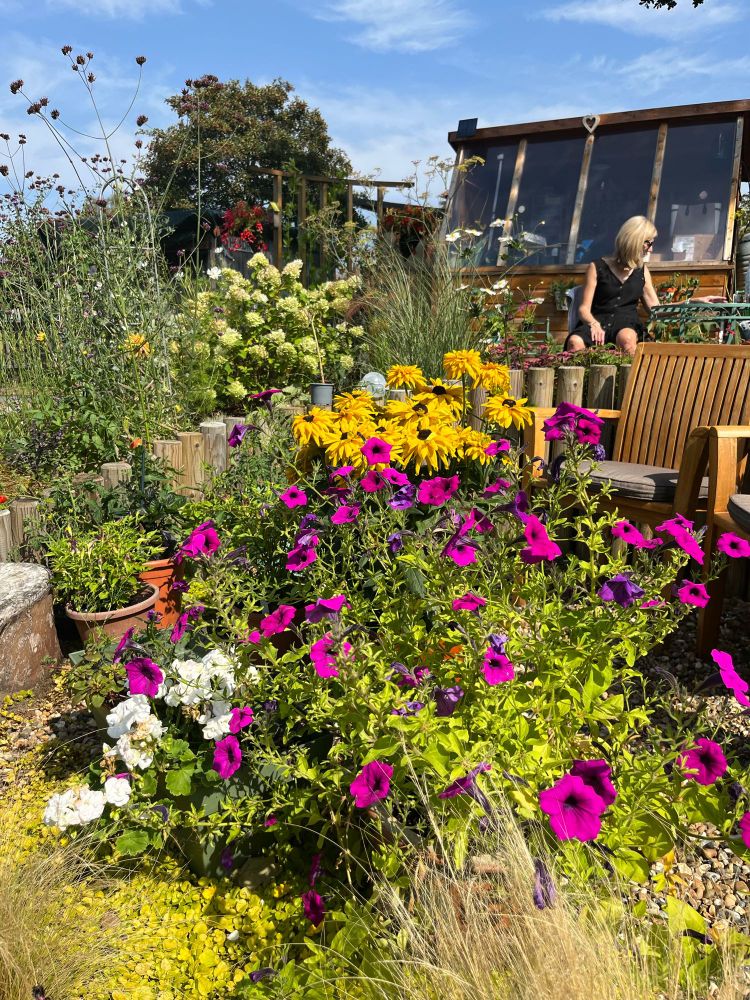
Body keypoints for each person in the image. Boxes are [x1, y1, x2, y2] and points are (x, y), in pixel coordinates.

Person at [565, 216, 660, 356]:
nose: (651, 250)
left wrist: (691, 302)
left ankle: (628, 377)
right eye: (649, 244)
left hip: (627, 324)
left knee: (626, 338)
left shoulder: (642, 271)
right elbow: (583, 309)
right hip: (598, 322)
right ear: (635, 241)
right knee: (574, 342)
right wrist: (593, 323)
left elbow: (656, 309)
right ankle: (581, 377)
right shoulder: (597, 267)